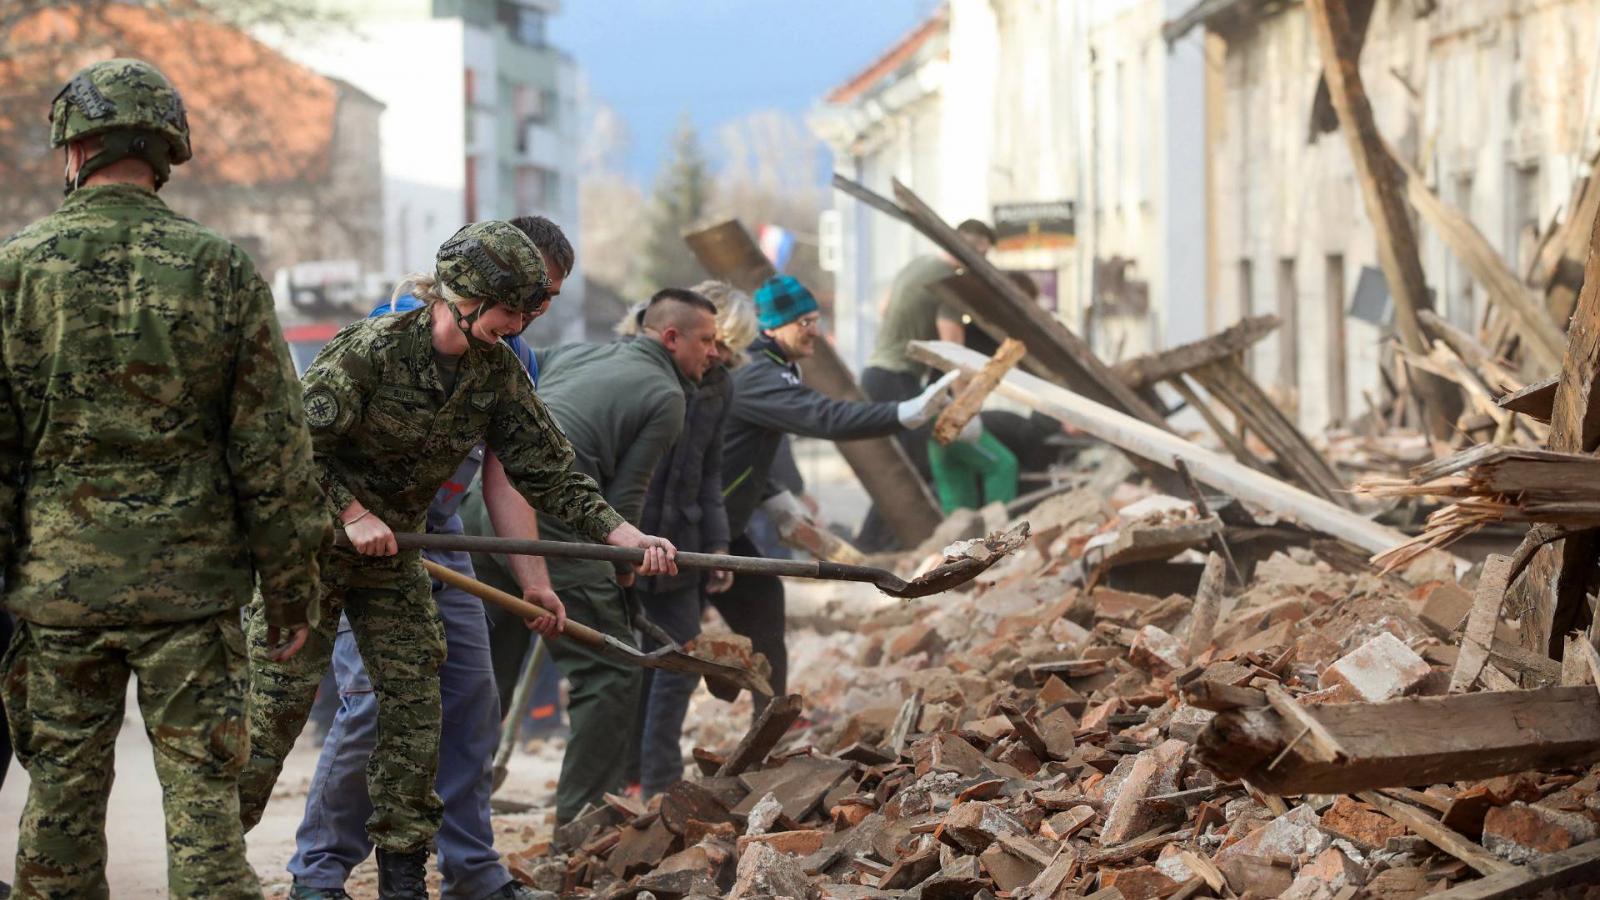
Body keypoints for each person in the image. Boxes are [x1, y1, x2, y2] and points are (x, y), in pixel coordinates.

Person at [239, 221, 677, 897]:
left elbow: (545, 470)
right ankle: (215, 863)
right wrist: (352, 516)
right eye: (513, 310)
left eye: (532, 312)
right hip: (308, 553)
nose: (522, 324)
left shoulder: (497, 367)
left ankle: (404, 878)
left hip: (400, 556)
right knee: (270, 720)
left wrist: (619, 534)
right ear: (465, 297)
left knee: (418, 714)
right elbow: (290, 453)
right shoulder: (373, 349)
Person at [0, 59, 330, 898]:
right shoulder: (219, 268)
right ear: (167, 153)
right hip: (193, 592)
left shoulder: (16, 268)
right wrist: (292, 591)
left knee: (60, 805)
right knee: (204, 810)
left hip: (57, 591)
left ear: (72, 150)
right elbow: (273, 449)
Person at [283, 216, 573, 900]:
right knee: (375, 706)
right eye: (523, 300)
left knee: (472, 703)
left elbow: (508, 474)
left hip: (441, 539)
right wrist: (355, 518)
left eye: (545, 302)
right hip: (361, 544)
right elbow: (306, 454)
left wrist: (534, 580)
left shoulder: (512, 356)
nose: (528, 316)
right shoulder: (392, 335)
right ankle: (319, 876)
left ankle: (472, 872)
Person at [466, 288, 721, 823]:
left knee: (488, 674)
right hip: (550, 518)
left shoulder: (581, 351)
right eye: (707, 341)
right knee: (611, 673)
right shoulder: (667, 396)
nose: (714, 354)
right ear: (671, 338)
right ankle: (583, 828)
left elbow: (526, 392)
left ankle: (457, 818)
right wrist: (625, 571)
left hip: (479, 508)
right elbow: (622, 502)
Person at [716, 275, 958, 714]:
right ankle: (652, 771)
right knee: (671, 637)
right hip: (694, 523)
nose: (814, 329)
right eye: (803, 321)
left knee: (765, 609)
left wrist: (774, 495)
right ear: (771, 326)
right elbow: (824, 416)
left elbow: (749, 444)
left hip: (723, 521)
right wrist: (907, 412)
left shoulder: (771, 365)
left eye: (816, 319)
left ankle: (771, 722)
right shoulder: (756, 373)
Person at [619, 281, 757, 799]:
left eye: (723, 343)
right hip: (625, 539)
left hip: (683, 546)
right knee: (627, 666)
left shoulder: (719, 385)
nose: (717, 353)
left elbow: (708, 470)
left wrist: (718, 546)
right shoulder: (635, 371)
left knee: (679, 662)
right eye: (711, 340)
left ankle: (659, 783)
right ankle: (623, 777)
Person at [856, 219, 997, 550]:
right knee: (913, 469)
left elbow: (884, 306)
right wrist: (967, 409)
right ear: (971, 249)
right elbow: (954, 352)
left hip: (876, 373)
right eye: (982, 255)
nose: (982, 264)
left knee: (900, 468)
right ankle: (880, 546)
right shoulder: (950, 282)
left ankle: (875, 544)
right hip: (896, 378)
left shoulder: (919, 265)